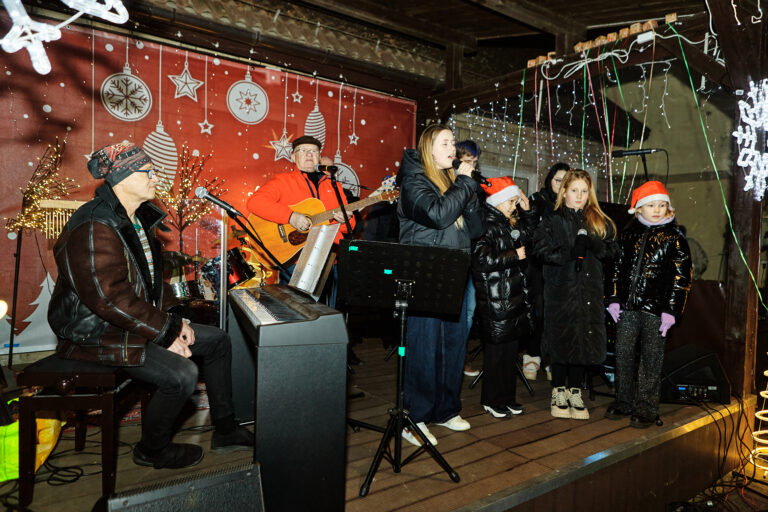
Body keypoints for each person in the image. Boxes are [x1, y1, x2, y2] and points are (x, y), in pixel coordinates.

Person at [47, 141, 253, 470]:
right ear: (123, 177)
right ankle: (151, 449)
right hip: (96, 332)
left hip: (131, 321)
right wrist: (166, 332)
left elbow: (153, 282)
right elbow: (109, 298)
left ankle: (226, 430)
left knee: (218, 340)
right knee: (182, 374)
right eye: (149, 172)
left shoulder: (138, 219)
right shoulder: (93, 226)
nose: (156, 178)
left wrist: (176, 319)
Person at [397, 124, 484, 446]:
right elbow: (437, 215)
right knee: (424, 347)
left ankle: (446, 409)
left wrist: (470, 197)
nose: (452, 148)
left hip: (454, 271)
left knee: (453, 345)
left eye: (453, 142)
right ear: (428, 149)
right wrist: (464, 184)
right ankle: (414, 418)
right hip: (424, 273)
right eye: (445, 143)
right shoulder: (414, 181)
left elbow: (476, 231)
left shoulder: (452, 181)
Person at [532, 169, 618, 420]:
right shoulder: (552, 220)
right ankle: (559, 390)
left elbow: (614, 251)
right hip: (561, 291)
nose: (579, 196)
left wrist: (595, 244)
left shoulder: (598, 221)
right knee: (562, 339)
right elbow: (540, 249)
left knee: (583, 339)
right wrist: (569, 253)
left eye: (584, 191)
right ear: (564, 192)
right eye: (574, 190)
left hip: (589, 292)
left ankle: (575, 389)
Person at [606, 181, 692, 428]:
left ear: (668, 208)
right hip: (628, 307)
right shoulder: (628, 234)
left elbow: (681, 278)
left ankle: (646, 407)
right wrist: (613, 298)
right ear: (639, 209)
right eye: (651, 205)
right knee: (622, 354)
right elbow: (616, 267)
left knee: (651, 359)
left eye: (662, 205)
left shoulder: (675, 238)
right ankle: (623, 400)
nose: (657, 210)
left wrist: (671, 310)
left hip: (657, 310)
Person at [246, 135, 355, 284]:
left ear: (319, 157)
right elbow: (254, 202)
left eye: (314, 151)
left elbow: (348, 228)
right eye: (303, 150)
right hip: (296, 262)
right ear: (293, 157)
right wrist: (290, 216)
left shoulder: (334, 186)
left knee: (329, 300)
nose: (309, 154)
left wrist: (344, 220)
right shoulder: (283, 181)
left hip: (329, 259)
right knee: (294, 300)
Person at [471, 177, 536, 418]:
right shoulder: (485, 224)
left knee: (510, 352)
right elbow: (481, 260)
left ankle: (507, 397)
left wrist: (528, 214)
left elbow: (527, 238)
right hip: (495, 300)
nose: (514, 206)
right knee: (496, 354)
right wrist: (513, 256)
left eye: (515, 202)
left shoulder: (506, 223)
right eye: (511, 201)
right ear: (497, 201)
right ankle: (491, 399)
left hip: (510, 298)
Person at [524, 162, 571, 381]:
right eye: (557, 180)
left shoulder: (570, 204)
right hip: (538, 266)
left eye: (565, 181)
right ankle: (532, 355)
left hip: (561, 268)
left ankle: (551, 358)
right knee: (539, 312)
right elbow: (530, 233)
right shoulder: (538, 200)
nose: (561, 185)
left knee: (557, 314)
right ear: (550, 180)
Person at [456, 139, 483, 378]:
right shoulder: (450, 184)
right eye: (467, 161)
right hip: (453, 255)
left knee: (469, 312)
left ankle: (460, 357)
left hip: (473, 256)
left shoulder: (477, 185)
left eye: (474, 162)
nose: (472, 166)